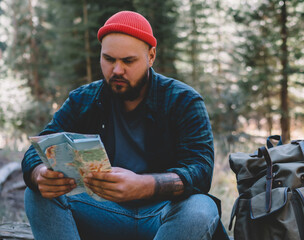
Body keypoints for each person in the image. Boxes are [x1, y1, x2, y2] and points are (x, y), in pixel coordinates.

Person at [22, 11, 228, 240]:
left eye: (128, 61)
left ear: (151, 56)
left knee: (200, 208)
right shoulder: (84, 99)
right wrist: (39, 173)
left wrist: (144, 185)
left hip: (164, 215)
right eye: (109, 59)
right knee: (36, 194)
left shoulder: (183, 100)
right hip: (104, 212)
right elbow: (38, 148)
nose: (117, 70)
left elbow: (201, 170)